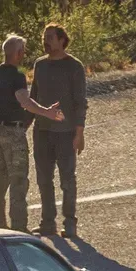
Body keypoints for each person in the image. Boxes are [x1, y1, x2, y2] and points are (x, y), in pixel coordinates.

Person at [0, 34, 64, 233]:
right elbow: (25, 101)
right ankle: (18, 228)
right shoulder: (17, 75)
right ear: (18, 53)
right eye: (23, 50)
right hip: (13, 133)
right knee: (18, 181)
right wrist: (47, 112)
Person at [27, 23, 88, 238]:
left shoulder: (74, 66)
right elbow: (32, 98)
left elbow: (80, 102)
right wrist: (22, 126)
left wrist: (79, 134)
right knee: (44, 179)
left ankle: (69, 222)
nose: (46, 41)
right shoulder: (40, 65)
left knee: (67, 179)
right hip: (42, 131)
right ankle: (48, 223)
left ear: (62, 40)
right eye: (44, 37)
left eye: (50, 37)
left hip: (66, 132)